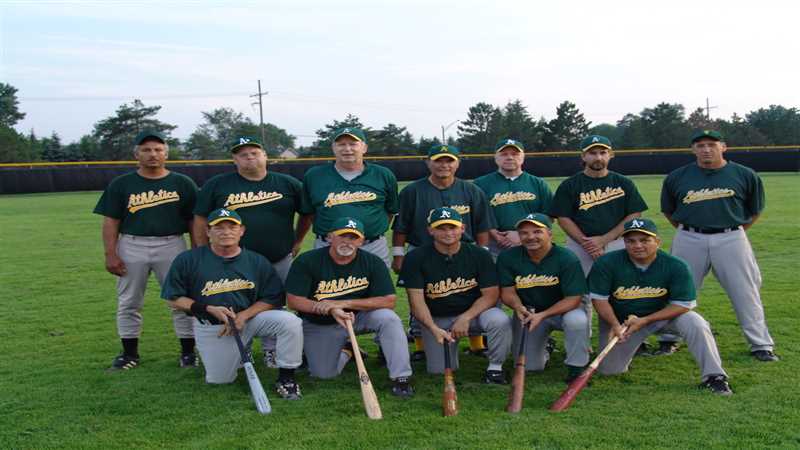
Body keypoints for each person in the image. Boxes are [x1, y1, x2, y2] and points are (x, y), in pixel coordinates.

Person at [193, 136, 311, 367]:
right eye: (243, 154)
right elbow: (199, 218)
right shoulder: (218, 185)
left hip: (278, 256)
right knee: (234, 302)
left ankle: (272, 350)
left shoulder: (287, 183)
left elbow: (306, 213)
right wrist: (202, 250)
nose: (249, 157)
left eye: (254, 152)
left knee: (276, 303)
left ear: (265, 156)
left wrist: (297, 240)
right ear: (234, 159)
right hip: (234, 261)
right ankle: (239, 349)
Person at [660, 129, 777, 362]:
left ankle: (761, 344)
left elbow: (755, 210)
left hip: (732, 237)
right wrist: (691, 230)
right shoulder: (677, 176)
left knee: (745, 291)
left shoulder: (744, 174)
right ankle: (669, 339)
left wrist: (734, 231)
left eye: (711, 144)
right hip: (689, 236)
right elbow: (668, 210)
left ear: (723, 147)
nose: (706, 149)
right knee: (678, 289)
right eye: (700, 145)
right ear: (693, 149)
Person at [162, 208, 304, 399]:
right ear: (208, 231)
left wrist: (244, 316)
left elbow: (273, 297)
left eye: (232, 227)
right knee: (220, 379)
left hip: (250, 320)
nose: (226, 232)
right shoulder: (189, 259)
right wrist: (207, 308)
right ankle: (238, 351)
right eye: (218, 227)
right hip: (215, 326)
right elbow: (172, 297)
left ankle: (287, 377)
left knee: (290, 321)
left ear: (242, 231)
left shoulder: (256, 260)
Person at [588, 217, 732, 395]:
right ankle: (633, 347)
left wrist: (646, 319)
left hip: (663, 318)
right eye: (631, 241)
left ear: (657, 242)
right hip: (623, 323)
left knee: (696, 323)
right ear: (624, 242)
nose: (638, 245)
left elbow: (683, 305)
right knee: (610, 370)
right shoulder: (607, 263)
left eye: (644, 240)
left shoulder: (675, 266)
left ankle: (715, 377)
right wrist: (615, 325)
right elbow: (599, 300)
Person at [93, 130, 198, 371]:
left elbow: (194, 221)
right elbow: (111, 221)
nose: (153, 154)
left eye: (158, 150)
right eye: (147, 150)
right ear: (136, 154)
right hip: (132, 244)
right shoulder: (123, 184)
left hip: (172, 243)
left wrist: (197, 251)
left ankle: (188, 353)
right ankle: (129, 353)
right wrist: (110, 253)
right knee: (129, 301)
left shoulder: (182, 182)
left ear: (166, 154)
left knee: (180, 298)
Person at [285, 217, 413, 397]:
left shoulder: (372, 261)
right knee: (323, 374)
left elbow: (389, 300)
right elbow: (293, 300)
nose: (347, 242)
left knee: (389, 319)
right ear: (330, 237)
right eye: (342, 236)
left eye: (353, 237)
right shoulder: (308, 261)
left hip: (358, 317)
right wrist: (327, 308)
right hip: (322, 322)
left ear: (361, 241)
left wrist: (344, 304)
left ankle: (401, 378)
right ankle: (348, 350)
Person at [392, 145, 495, 359]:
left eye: (449, 160)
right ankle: (421, 344)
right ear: (428, 162)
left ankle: (477, 341)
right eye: (438, 160)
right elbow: (401, 226)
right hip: (421, 250)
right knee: (422, 296)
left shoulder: (471, 190)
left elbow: (482, 225)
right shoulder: (412, 190)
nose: (444, 165)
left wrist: (483, 252)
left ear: (457, 163)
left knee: (470, 293)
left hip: (464, 250)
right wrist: (399, 254)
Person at [548, 135, 649, 352]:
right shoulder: (571, 184)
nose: (598, 157)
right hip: (580, 244)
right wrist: (588, 243)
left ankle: (627, 337)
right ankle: (582, 342)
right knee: (580, 294)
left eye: (603, 152)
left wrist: (604, 239)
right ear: (583, 156)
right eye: (593, 152)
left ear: (610, 155)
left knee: (622, 292)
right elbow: (563, 218)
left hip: (617, 243)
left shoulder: (623, 182)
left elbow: (634, 214)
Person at [398, 207, 512, 383]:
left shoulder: (479, 254)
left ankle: (495, 368)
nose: (448, 233)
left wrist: (465, 317)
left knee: (499, 319)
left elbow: (491, 295)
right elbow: (416, 302)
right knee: (438, 370)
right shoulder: (415, 257)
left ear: (462, 228)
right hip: (438, 319)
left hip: (475, 316)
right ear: (430, 230)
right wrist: (433, 328)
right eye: (441, 228)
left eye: (452, 227)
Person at [497, 213, 589, 382]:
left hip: (564, 311)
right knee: (531, 366)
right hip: (530, 313)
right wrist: (518, 307)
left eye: (537, 231)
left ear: (549, 234)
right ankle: (545, 347)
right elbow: (508, 292)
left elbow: (573, 299)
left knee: (577, 320)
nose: (530, 237)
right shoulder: (508, 257)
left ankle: (577, 368)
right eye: (524, 233)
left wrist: (543, 315)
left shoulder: (566, 258)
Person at [300, 127, 398, 266]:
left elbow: (390, 210)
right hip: (327, 246)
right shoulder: (314, 176)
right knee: (329, 286)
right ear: (333, 148)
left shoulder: (383, 175)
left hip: (372, 246)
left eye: (353, 144)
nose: (347, 149)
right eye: (341, 144)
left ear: (364, 147)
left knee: (377, 287)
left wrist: (372, 229)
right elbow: (309, 212)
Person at [473, 139, 553, 259]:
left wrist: (522, 234)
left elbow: (549, 215)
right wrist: (496, 235)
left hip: (532, 242)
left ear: (523, 157)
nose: (510, 157)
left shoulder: (538, 183)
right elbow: (477, 215)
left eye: (515, 154)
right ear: (496, 158)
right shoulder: (480, 184)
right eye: (504, 154)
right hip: (494, 244)